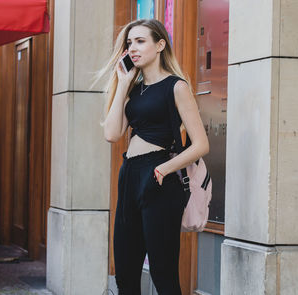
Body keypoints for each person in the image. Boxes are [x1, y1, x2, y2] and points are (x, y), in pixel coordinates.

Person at [100, 19, 209, 294]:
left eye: (140, 41)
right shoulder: (133, 90)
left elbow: (200, 144)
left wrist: (164, 168)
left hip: (159, 178)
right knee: (124, 273)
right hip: (129, 177)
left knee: (163, 273)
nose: (132, 49)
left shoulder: (176, 86)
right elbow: (112, 134)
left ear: (160, 45)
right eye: (129, 44)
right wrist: (123, 84)